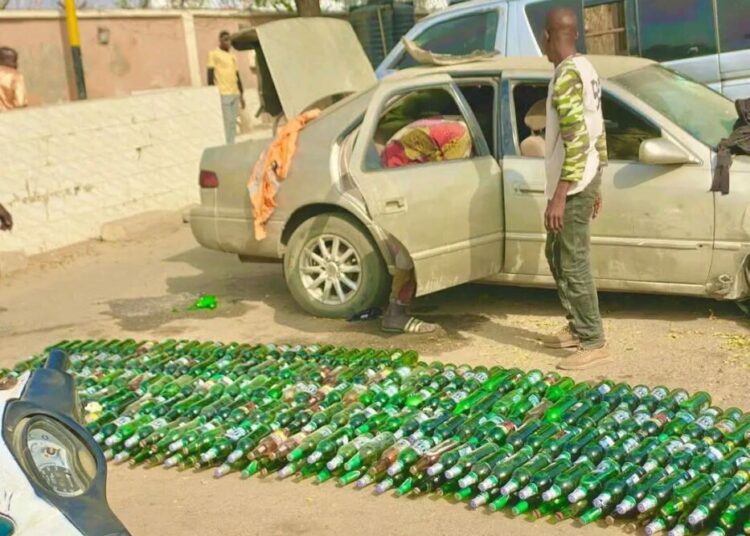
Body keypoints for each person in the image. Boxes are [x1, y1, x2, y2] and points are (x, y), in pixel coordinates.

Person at [539, 8, 609, 370]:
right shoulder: (586, 67)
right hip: (585, 176)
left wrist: (560, 195)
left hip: (574, 184)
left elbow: (578, 139)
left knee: (573, 261)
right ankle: (577, 326)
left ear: (547, 36)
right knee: (555, 253)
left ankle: (593, 340)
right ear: (576, 34)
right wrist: (599, 180)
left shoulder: (567, 76)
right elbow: (599, 130)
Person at [207, 31, 245, 144]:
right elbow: (210, 73)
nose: (228, 42)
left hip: (235, 92)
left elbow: (237, 75)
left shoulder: (232, 56)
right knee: (227, 121)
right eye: (225, 40)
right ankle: (228, 143)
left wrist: (241, 94)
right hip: (224, 92)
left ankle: (232, 143)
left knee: (233, 121)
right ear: (220, 41)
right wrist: (212, 92)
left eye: (229, 40)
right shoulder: (214, 54)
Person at [0, 47, 27, 112]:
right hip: (8, 115)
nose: (16, 64)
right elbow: (20, 102)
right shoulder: (16, 77)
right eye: (14, 60)